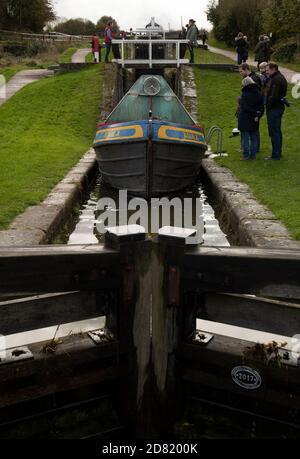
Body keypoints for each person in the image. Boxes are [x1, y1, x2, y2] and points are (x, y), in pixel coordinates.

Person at [265, 62, 288, 160]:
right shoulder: (280, 77)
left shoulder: (276, 79)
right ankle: (278, 152)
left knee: (274, 131)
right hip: (278, 107)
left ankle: (276, 154)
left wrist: (268, 105)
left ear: (273, 68)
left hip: (275, 108)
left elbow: (274, 96)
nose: (266, 72)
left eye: (267, 70)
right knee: (277, 131)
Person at [238, 77, 264, 160]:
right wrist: (257, 115)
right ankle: (253, 156)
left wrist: (254, 113)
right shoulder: (259, 93)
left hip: (245, 118)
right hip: (255, 119)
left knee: (245, 137)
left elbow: (244, 107)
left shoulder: (244, 94)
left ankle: (246, 155)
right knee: (253, 137)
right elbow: (261, 107)